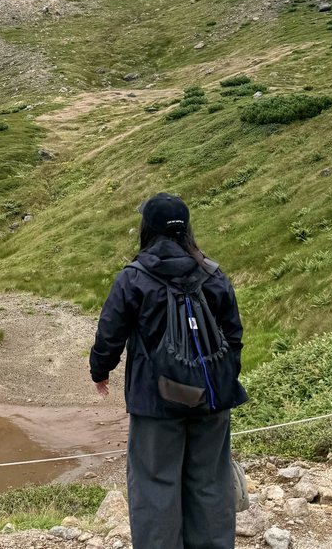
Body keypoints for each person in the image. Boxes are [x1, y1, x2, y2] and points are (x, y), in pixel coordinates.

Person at [90, 193, 247, 549]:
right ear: (186, 229)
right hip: (212, 398)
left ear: (148, 228)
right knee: (210, 481)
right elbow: (234, 334)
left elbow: (110, 331)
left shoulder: (134, 277)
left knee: (155, 484)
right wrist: (218, 379)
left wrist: (100, 370)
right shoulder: (212, 271)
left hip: (155, 401)